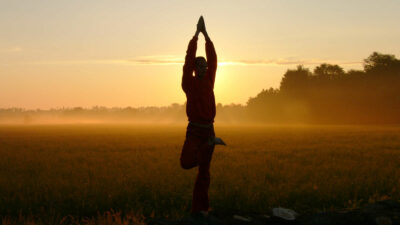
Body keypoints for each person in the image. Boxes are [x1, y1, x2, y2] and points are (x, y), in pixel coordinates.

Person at [180, 16, 225, 219]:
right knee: (186, 162)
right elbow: (188, 60)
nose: (205, 69)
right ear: (194, 69)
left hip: (209, 128)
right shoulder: (188, 84)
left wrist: (207, 35)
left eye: (205, 67)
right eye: (200, 67)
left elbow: (214, 59)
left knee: (204, 174)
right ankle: (208, 145)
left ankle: (200, 210)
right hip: (195, 130)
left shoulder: (210, 81)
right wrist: (196, 36)